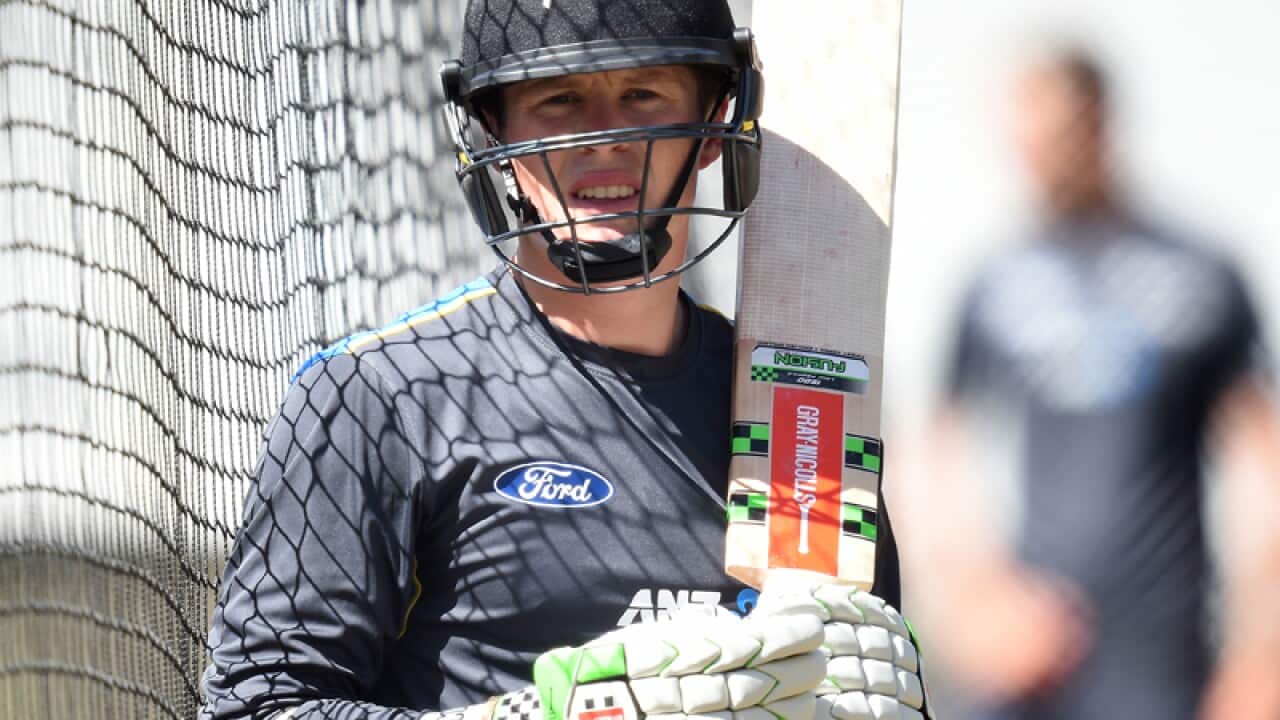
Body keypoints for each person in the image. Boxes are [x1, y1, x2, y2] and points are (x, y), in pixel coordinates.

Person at [200, 1, 927, 719]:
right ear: (495, 130)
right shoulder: (382, 396)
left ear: (714, 125)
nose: (602, 138)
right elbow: (255, 706)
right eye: (559, 98)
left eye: (641, 94)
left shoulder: (801, 415)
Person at [917, 48, 1280, 720]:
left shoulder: (1200, 270)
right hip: (1034, 653)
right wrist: (978, 600)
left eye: (1053, 135)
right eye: (1023, 141)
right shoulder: (998, 280)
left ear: (1098, 123)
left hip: (1164, 660)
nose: (1036, 159)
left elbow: (1264, 462)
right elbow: (941, 455)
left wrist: (1264, 654)